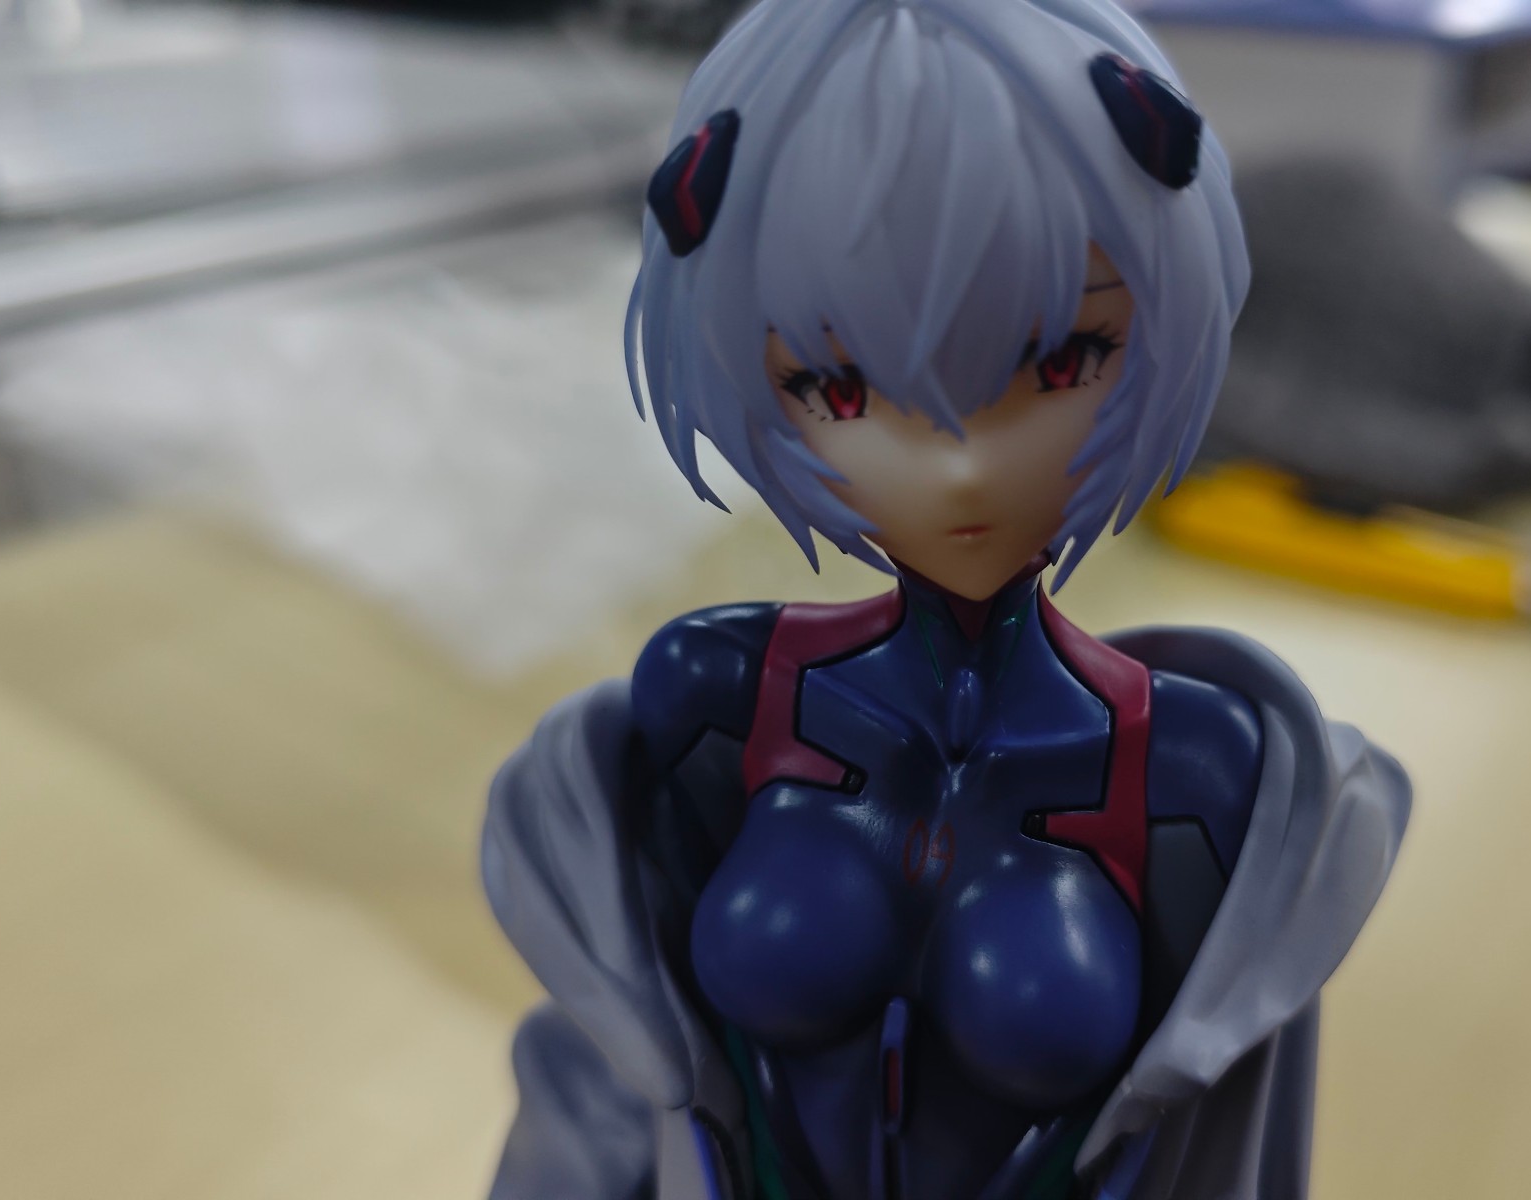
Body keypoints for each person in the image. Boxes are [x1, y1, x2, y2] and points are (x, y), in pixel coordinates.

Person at [481, 1, 1411, 1195]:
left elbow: (1220, 1139)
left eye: (1063, 360)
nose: (961, 464)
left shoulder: (1202, 768)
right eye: (838, 383)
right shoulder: (713, 698)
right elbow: (616, 1051)